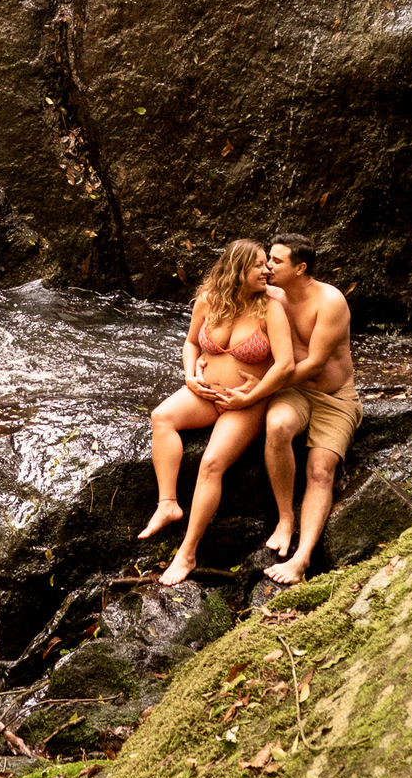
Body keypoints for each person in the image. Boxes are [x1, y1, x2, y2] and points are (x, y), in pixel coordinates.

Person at [138, 238, 295, 587]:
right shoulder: (210, 300)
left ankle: (188, 551)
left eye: (267, 264)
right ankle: (168, 504)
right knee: (161, 417)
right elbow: (192, 342)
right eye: (258, 265)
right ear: (238, 270)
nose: (267, 269)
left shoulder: (270, 307)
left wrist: (249, 397)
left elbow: (284, 366)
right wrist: (191, 376)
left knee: (211, 464)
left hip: (247, 402)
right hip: (205, 393)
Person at [260, 232, 362, 587]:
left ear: (300, 268)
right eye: (267, 259)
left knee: (320, 469)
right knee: (277, 428)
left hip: (335, 398)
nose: (267, 266)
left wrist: (259, 389)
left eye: (276, 261)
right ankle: (285, 518)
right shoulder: (270, 296)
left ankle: (302, 558)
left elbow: (316, 362)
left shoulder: (329, 301)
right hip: (295, 392)